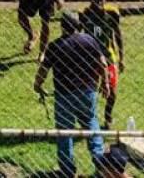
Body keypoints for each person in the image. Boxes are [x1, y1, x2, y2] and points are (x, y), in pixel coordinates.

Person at [34, 11, 106, 178]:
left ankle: (67, 171)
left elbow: (43, 70)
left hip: (64, 95)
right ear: (79, 25)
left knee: (64, 133)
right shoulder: (89, 40)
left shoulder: (55, 46)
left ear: (62, 26)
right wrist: (106, 84)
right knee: (91, 123)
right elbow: (102, 63)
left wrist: (37, 84)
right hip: (88, 92)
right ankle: (101, 163)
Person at [81, 0, 124, 129]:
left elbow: (118, 35)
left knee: (112, 92)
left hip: (108, 55)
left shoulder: (112, 13)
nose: (100, 3)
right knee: (88, 90)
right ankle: (88, 118)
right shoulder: (84, 14)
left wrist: (122, 57)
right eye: (96, 0)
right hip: (89, 57)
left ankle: (108, 116)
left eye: (102, 0)